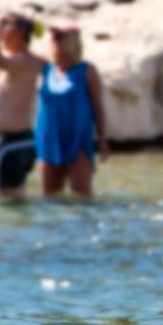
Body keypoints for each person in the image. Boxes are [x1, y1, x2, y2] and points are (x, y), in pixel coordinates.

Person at [36, 23, 108, 198]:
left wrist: (103, 141)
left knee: (82, 198)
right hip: (49, 139)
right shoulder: (45, 69)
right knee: (49, 199)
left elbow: (98, 106)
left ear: (72, 41)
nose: (55, 41)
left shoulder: (86, 71)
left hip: (78, 139)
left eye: (60, 37)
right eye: (53, 38)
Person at [0, 13, 45, 199]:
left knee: (9, 204)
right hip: (16, 141)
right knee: (15, 200)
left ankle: (15, 229)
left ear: (21, 32)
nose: (1, 33)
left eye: (5, 27)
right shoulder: (29, 62)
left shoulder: (22, 61)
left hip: (11, 141)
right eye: (0, 28)